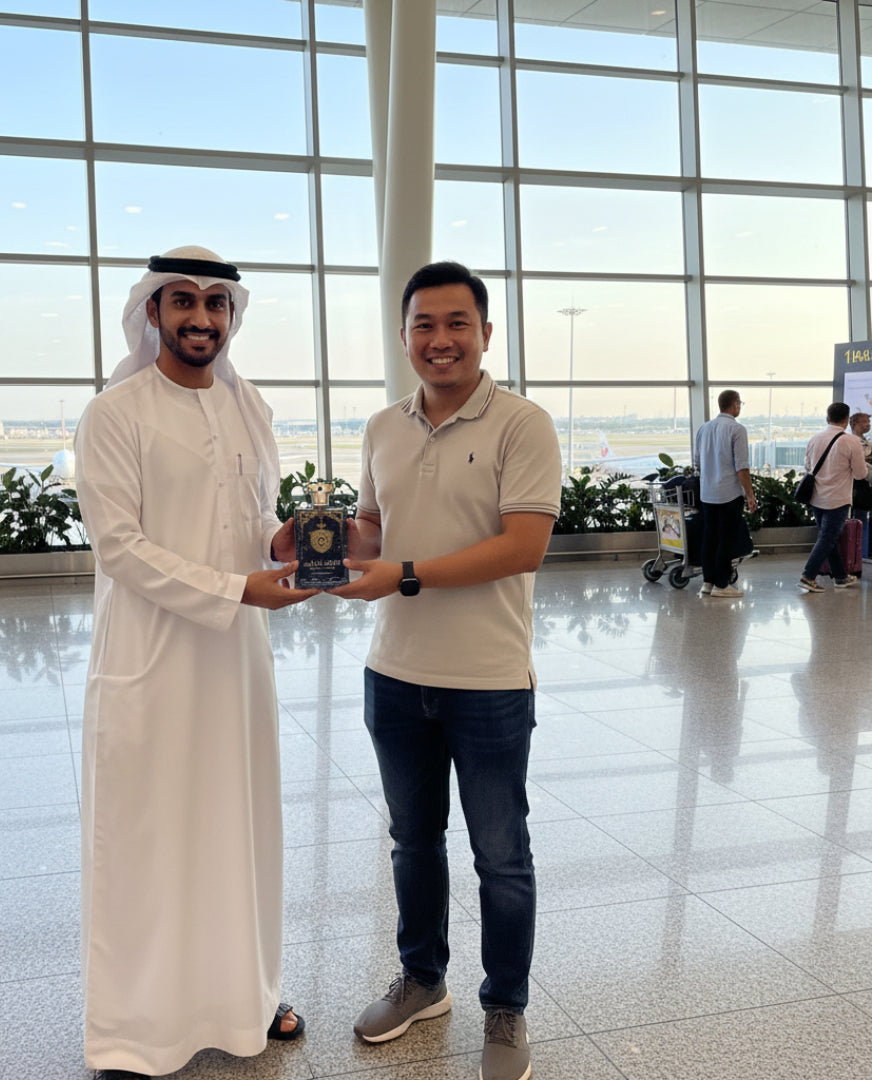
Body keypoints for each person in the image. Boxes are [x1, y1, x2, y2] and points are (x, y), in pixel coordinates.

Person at [74, 245, 318, 1078]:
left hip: (235, 661)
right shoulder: (115, 414)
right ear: (153, 313)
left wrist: (286, 544)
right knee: (148, 834)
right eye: (183, 302)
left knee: (239, 823)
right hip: (152, 656)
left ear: (232, 317)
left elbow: (249, 523)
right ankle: (133, 1030)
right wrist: (236, 587)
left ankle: (244, 998)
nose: (201, 319)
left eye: (217, 305)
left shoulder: (249, 407)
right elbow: (121, 548)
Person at [331, 261, 562, 1080]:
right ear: (403, 339)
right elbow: (370, 528)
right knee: (412, 843)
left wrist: (406, 572)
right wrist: (320, 545)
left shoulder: (521, 424)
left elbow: (521, 545)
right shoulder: (381, 427)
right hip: (393, 671)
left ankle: (506, 1012)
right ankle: (424, 980)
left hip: (490, 678)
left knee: (501, 853)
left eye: (456, 323)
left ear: (485, 334)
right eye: (423, 325)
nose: (440, 340)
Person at [692, 389, 757, 599]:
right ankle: (722, 584)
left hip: (707, 493)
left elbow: (697, 463)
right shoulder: (737, 429)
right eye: (740, 404)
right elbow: (742, 467)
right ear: (735, 404)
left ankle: (708, 583)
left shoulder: (704, 428)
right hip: (729, 493)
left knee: (709, 537)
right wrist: (750, 494)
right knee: (726, 538)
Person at [797, 401, 866, 593]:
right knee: (828, 538)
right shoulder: (851, 441)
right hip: (838, 499)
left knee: (829, 537)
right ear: (846, 419)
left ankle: (840, 577)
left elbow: (808, 467)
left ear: (828, 417)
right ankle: (808, 576)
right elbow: (860, 474)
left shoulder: (815, 438)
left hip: (817, 498)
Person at [849, 411, 872, 559]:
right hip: (858, 487)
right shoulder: (852, 442)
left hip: (867, 487)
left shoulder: (865, 441)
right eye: (864, 422)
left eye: (868, 422)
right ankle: (859, 558)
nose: (868, 425)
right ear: (855, 424)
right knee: (859, 522)